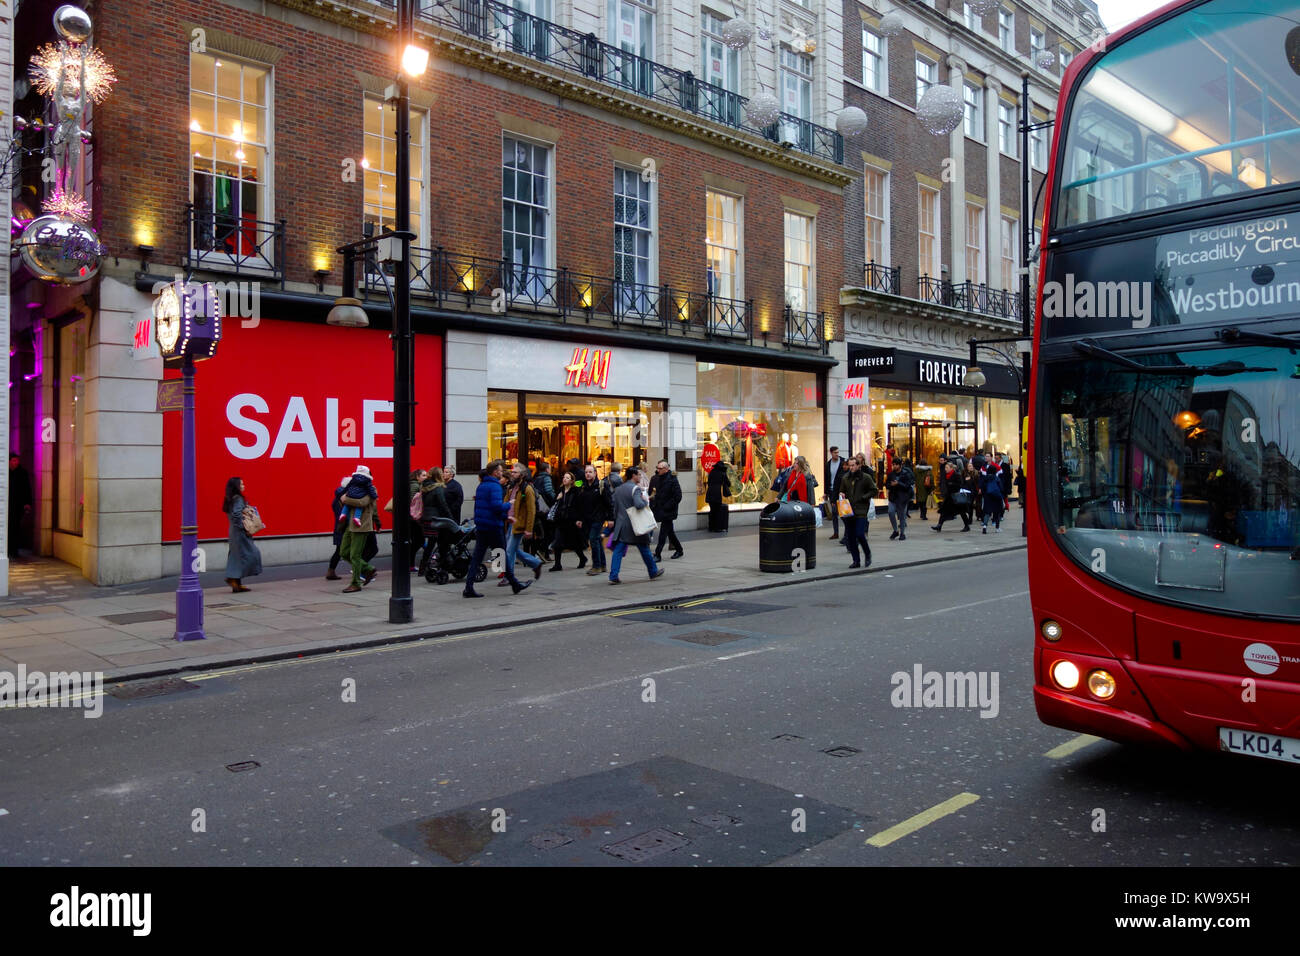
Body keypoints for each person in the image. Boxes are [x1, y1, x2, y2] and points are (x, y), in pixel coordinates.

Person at [464, 460, 530, 597]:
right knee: (501, 555)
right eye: (500, 470)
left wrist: (506, 517)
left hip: (482, 525)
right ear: (495, 472)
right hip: (493, 526)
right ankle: (515, 584)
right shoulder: (495, 486)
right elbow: (496, 507)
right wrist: (509, 504)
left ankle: (469, 587)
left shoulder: (482, 485)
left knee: (478, 557)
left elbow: (484, 507)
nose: (502, 473)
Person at [609, 466, 665, 584]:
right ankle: (653, 571)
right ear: (633, 476)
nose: (640, 476)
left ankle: (613, 575)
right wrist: (645, 500)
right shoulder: (635, 489)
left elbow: (615, 507)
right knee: (644, 548)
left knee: (618, 551)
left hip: (622, 525)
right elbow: (639, 505)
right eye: (638, 474)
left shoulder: (618, 489)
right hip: (635, 525)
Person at [338, 472, 379, 593]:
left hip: (362, 526)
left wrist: (346, 498)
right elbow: (341, 500)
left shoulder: (371, 490)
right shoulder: (353, 487)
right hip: (349, 525)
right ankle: (368, 568)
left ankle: (355, 583)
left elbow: (362, 502)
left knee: (355, 555)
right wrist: (344, 499)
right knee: (344, 552)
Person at [222, 476, 262, 592]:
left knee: (236, 556)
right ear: (236, 487)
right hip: (240, 532)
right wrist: (243, 527)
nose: (244, 486)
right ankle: (232, 578)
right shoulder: (238, 499)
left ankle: (236, 582)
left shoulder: (230, 498)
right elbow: (236, 514)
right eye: (242, 484)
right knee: (252, 554)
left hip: (233, 532)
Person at [505, 463, 543, 582]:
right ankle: (535, 563)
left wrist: (529, 529)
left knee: (509, 551)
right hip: (510, 522)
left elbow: (531, 511)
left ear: (522, 474)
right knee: (513, 549)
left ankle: (508, 577)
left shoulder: (527, 489)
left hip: (519, 524)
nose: (512, 474)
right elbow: (505, 502)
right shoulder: (511, 487)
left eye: (515, 472)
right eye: (512, 472)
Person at [837, 455, 876, 568]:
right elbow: (841, 491)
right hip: (849, 511)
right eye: (850, 466)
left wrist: (864, 497)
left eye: (853, 465)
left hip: (861, 510)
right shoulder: (845, 478)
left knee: (859, 534)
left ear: (859, 465)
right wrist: (841, 494)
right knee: (850, 537)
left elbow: (874, 490)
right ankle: (856, 560)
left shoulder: (866, 477)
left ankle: (867, 553)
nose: (851, 468)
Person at [417, 467, 456, 577]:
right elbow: (443, 505)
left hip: (426, 517)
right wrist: (450, 518)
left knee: (430, 543)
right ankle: (443, 564)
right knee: (441, 542)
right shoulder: (438, 488)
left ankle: (423, 567)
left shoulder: (424, 486)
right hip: (436, 518)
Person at [550, 470, 587, 571]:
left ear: (571, 481)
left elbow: (579, 506)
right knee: (557, 543)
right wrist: (557, 498)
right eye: (564, 477)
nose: (564, 479)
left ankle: (582, 558)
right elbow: (554, 504)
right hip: (560, 520)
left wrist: (579, 519)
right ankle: (557, 564)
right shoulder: (560, 490)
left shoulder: (575, 491)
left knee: (574, 543)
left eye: (567, 478)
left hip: (571, 521)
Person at [577, 463, 610, 576]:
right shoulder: (582, 486)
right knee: (596, 540)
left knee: (593, 539)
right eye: (586, 472)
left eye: (590, 472)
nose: (588, 474)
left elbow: (609, 503)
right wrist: (580, 518)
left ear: (595, 473)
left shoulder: (601, 485)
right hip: (587, 518)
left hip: (598, 518)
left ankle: (596, 566)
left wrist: (610, 519)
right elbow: (581, 504)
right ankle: (603, 565)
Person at [649, 459, 684, 561]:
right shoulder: (655, 478)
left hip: (669, 511)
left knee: (663, 533)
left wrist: (668, 506)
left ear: (666, 469)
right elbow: (651, 493)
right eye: (657, 468)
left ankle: (658, 554)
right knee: (670, 532)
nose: (658, 470)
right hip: (659, 509)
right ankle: (679, 549)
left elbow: (678, 496)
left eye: (660, 468)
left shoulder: (672, 479)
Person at [932, 460, 972, 533]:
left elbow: (960, 484)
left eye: (947, 468)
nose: (945, 469)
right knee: (943, 511)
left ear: (951, 468)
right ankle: (939, 525)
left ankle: (967, 526)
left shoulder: (956, 475)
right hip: (949, 497)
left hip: (955, 497)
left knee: (962, 512)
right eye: (945, 468)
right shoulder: (945, 475)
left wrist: (952, 484)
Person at [325, 475, 351, 580]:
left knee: (339, 550)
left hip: (339, 527)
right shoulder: (343, 500)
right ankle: (362, 569)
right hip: (344, 528)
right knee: (343, 551)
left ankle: (331, 571)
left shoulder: (337, 499)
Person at [8, 453, 33, 558]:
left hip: (18, 505)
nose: (16, 462)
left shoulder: (23, 473)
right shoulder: (5, 472)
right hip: (7, 504)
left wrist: (27, 503)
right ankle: (7, 549)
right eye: (13, 460)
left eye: (17, 460)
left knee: (15, 527)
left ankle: (14, 550)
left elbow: (27, 489)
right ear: (9, 461)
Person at [532, 460, 556, 561]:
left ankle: (545, 553)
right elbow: (549, 491)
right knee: (549, 531)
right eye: (550, 468)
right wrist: (556, 499)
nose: (551, 470)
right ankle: (542, 550)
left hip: (539, 508)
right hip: (546, 508)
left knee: (544, 530)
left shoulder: (536, 478)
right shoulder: (546, 478)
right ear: (547, 469)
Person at [886, 457, 915, 541]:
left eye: (895, 465)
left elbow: (908, 485)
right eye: (893, 465)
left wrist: (898, 484)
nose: (894, 466)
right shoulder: (891, 474)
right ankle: (895, 530)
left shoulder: (906, 473)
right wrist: (891, 485)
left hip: (903, 498)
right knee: (891, 512)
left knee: (902, 515)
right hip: (893, 497)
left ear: (900, 465)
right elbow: (887, 484)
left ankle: (902, 533)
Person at [981, 458, 1007, 533]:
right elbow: (1001, 488)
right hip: (996, 497)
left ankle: (985, 526)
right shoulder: (997, 478)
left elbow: (982, 488)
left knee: (987, 512)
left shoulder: (985, 479)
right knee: (997, 512)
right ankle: (997, 527)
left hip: (987, 497)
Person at [706, 459, 731, 533]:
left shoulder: (711, 472)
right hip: (717, 494)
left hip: (710, 493)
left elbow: (709, 482)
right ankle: (716, 527)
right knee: (717, 511)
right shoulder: (722, 473)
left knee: (712, 511)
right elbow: (728, 483)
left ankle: (711, 527)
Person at [824, 447, 844, 540]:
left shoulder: (843, 462)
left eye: (837, 452)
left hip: (841, 491)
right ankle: (836, 532)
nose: (837, 454)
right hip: (832, 491)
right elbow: (827, 478)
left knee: (844, 512)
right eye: (835, 452)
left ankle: (847, 532)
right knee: (834, 512)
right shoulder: (828, 464)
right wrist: (826, 492)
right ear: (831, 453)